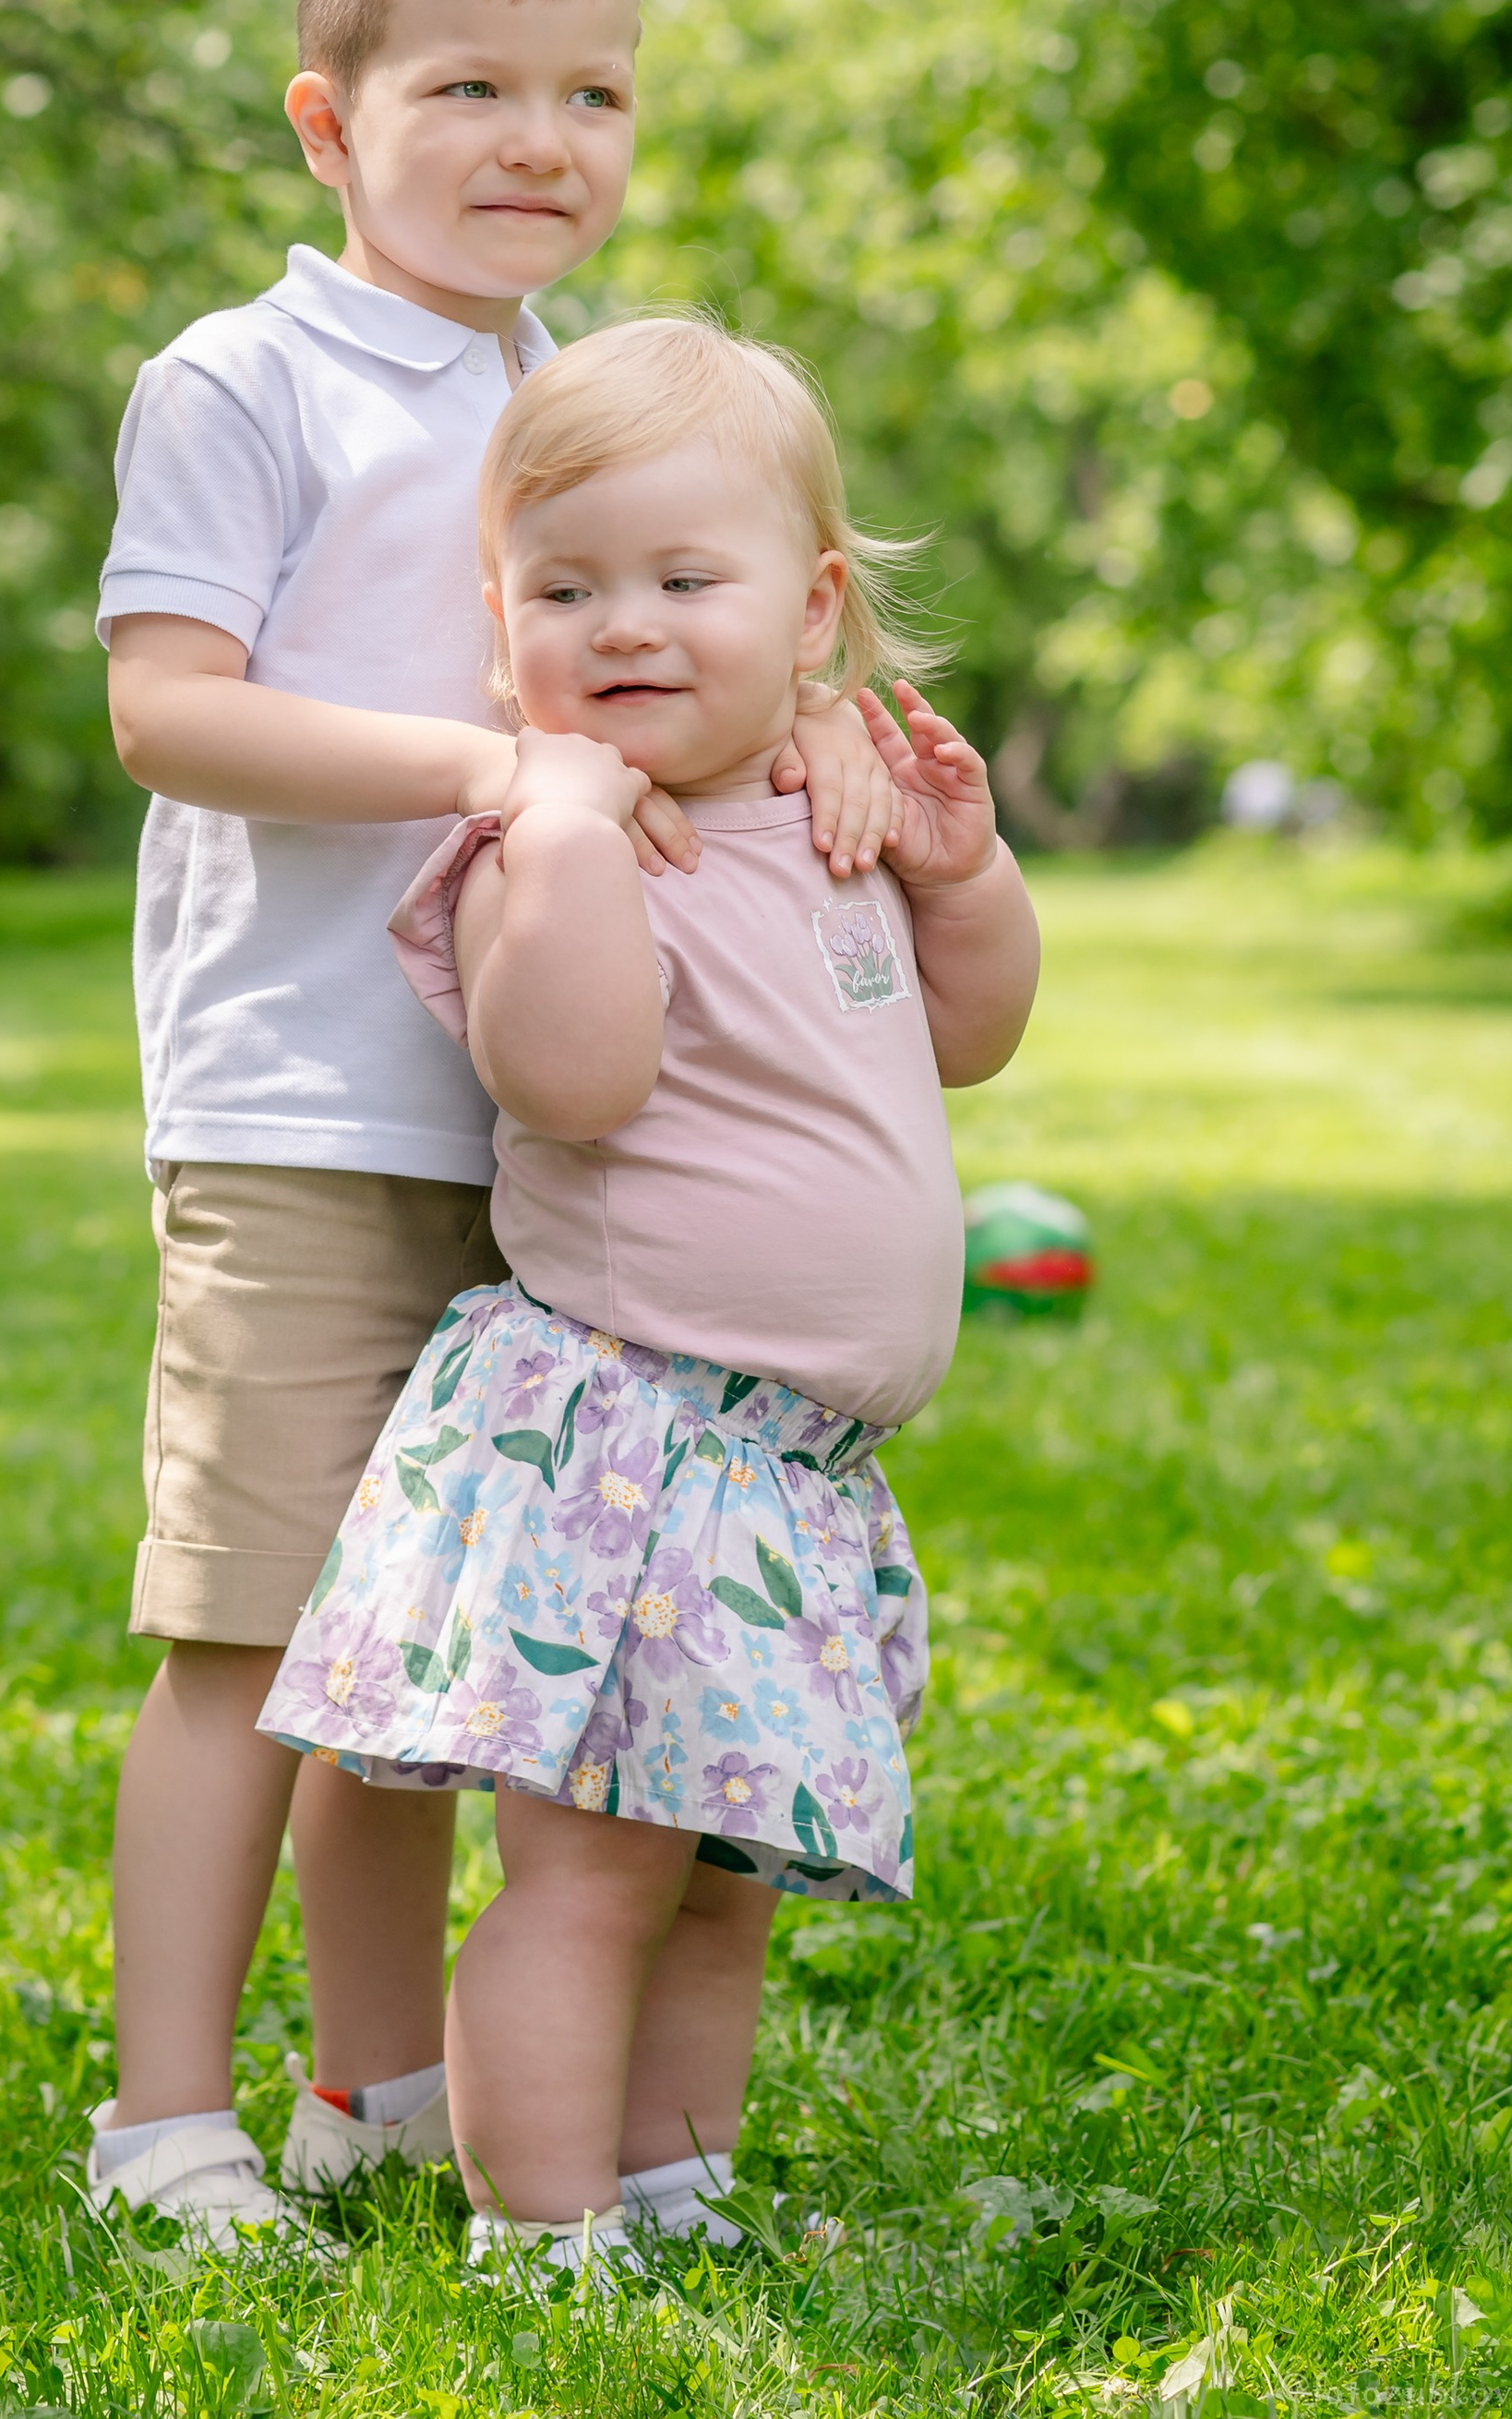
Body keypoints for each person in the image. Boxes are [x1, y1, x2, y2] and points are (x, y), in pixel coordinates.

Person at [86, 0, 904, 2244]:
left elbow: (688, 659)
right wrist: (499, 771)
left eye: (595, 96)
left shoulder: (592, 397)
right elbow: (168, 711)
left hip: (568, 1150)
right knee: (250, 1630)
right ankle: (161, 2126)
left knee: (436, 1652)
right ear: (331, 122)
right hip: (307, 1096)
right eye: (471, 87)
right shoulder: (248, 380)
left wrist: (835, 738)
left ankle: (376, 2091)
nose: (544, 145)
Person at [261, 314, 1040, 2267]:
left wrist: (960, 875)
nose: (622, 623)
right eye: (563, 586)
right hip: (625, 1449)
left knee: (716, 1884)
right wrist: (573, 833)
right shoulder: (548, 845)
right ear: (496, 614)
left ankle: (677, 2184)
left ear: (810, 609)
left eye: (683, 579)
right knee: (594, 1876)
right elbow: (573, 1078)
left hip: (780, 1473)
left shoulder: (831, 810)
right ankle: (541, 2225)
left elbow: (971, 1041)